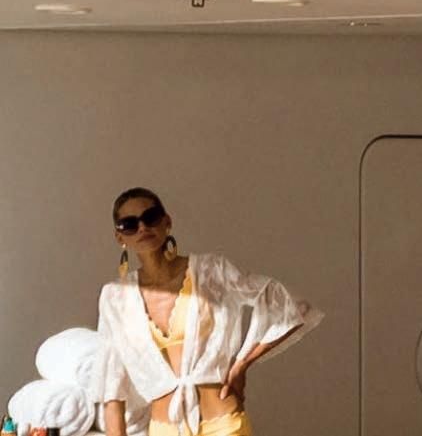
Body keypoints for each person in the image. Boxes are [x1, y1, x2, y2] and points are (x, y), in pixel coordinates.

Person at [90, 187, 321, 436]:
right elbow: (112, 385)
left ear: (167, 222)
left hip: (223, 424)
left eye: (151, 217)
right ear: (120, 238)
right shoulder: (114, 297)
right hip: (164, 429)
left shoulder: (211, 271)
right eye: (129, 224)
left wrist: (242, 363)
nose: (143, 227)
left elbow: (288, 305)